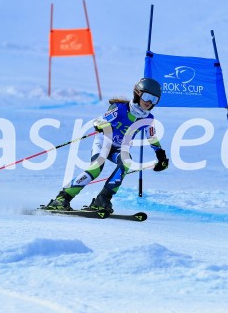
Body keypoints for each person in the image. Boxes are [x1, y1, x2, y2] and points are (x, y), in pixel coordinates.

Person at [43, 78, 169, 215]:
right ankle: (62, 198)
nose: (149, 102)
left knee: (126, 162)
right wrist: (101, 125)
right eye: (147, 96)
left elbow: (152, 138)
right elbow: (99, 120)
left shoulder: (148, 119)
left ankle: (103, 199)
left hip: (120, 148)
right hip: (104, 142)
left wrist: (161, 155)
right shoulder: (119, 108)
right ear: (138, 93)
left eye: (154, 99)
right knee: (96, 168)